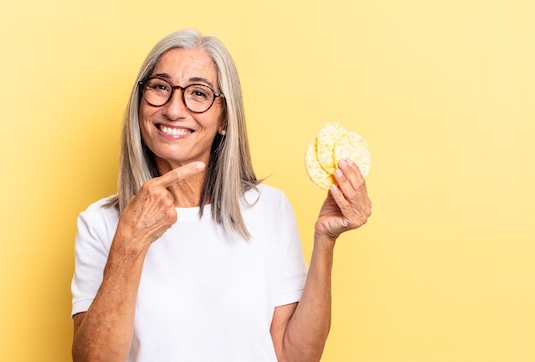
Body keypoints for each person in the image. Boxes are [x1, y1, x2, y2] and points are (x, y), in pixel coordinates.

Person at [71, 29, 371, 362]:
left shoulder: (269, 208)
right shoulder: (100, 223)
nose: (173, 109)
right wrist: (130, 243)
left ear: (224, 117)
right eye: (160, 87)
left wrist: (325, 240)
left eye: (198, 93)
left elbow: (294, 357)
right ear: (140, 101)